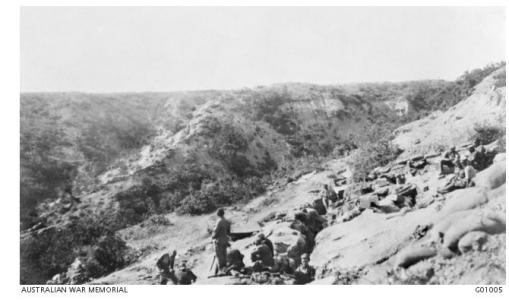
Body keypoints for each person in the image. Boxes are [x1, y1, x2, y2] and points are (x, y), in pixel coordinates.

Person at [212, 208, 231, 275]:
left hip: (219, 240)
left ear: (218, 214)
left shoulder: (219, 221)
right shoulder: (226, 221)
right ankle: (225, 269)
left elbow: (215, 231)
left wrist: (213, 236)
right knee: (224, 255)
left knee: (219, 256)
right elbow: (229, 231)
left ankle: (221, 271)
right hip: (225, 240)